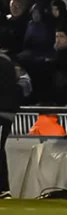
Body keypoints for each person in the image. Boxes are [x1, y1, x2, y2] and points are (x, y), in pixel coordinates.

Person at [0, 54, 21, 199]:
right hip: (7, 112)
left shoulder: (3, 63)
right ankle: (3, 188)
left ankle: (3, 188)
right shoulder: (6, 62)